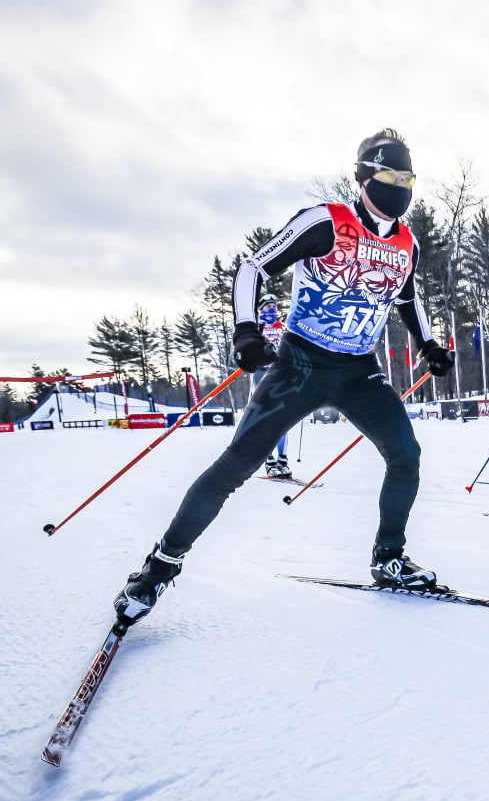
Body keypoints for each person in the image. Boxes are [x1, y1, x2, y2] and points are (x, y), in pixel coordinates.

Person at [113, 129, 455, 626]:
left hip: (359, 370)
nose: (400, 186)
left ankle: (389, 559)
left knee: (406, 456)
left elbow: (406, 296)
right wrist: (247, 331)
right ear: (364, 176)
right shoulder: (325, 221)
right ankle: (158, 568)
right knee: (235, 467)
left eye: (408, 177)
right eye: (389, 174)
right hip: (299, 365)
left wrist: (427, 343)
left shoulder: (407, 242)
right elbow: (253, 267)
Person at [254, 293, 292, 478]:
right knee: (266, 419)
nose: (272, 310)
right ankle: (269, 460)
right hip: (262, 374)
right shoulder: (256, 328)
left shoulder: (283, 327)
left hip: (281, 374)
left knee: (283, 418)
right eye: (268, 307)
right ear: (261, 310)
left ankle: (282, 460)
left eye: (274, 307)